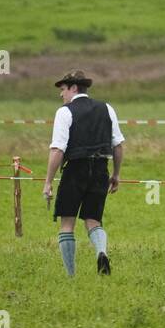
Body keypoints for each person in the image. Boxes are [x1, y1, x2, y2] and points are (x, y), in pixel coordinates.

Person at [43, 70, 125, 277]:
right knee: (93, 220)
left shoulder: (64, 112)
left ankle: (71, 276)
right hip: (100, 168)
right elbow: (118, 145)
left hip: (75, 169)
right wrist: (115, 174)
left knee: (67, 223)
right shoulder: (107, 108)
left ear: (73, 88)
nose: (61, 95)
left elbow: (57, 150)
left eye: (63, 90)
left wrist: (48, 182)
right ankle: (101, 252)